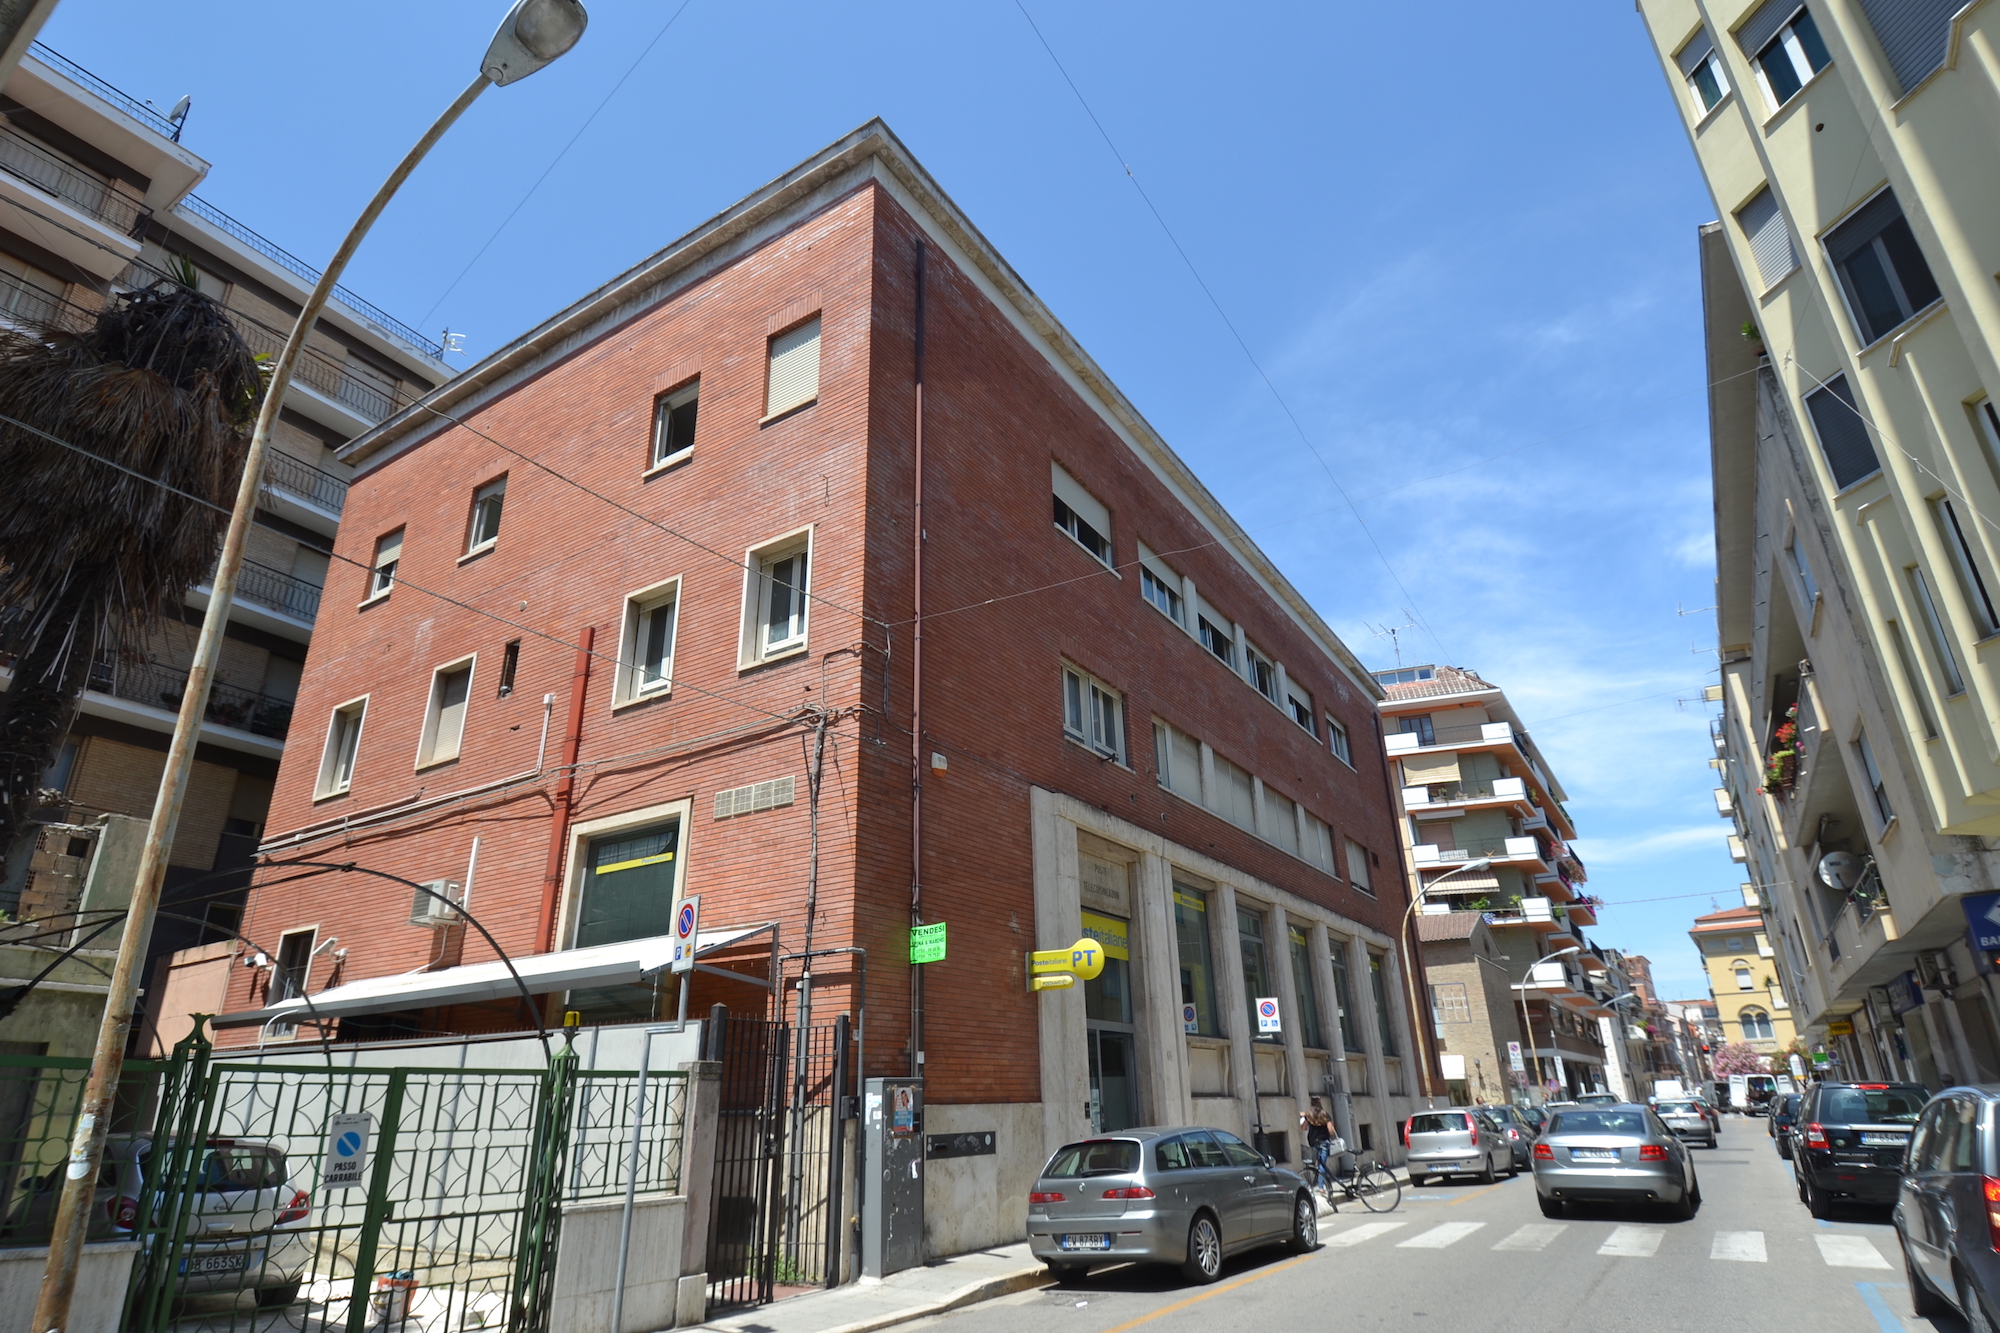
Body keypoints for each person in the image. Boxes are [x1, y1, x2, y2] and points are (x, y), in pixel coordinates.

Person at [1300, 1099, 1343, 1176]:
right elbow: (1331, 1131)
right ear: (1320, 1103)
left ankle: (1321, 1181)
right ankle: (1321, 1183)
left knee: (1318, 1165)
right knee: (1322, 1165)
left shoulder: (1309, 1115)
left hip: (1313, 1142)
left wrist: (1304, 1118)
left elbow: (1303, 1128)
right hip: (1324, 1142)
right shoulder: (1325, 1115)